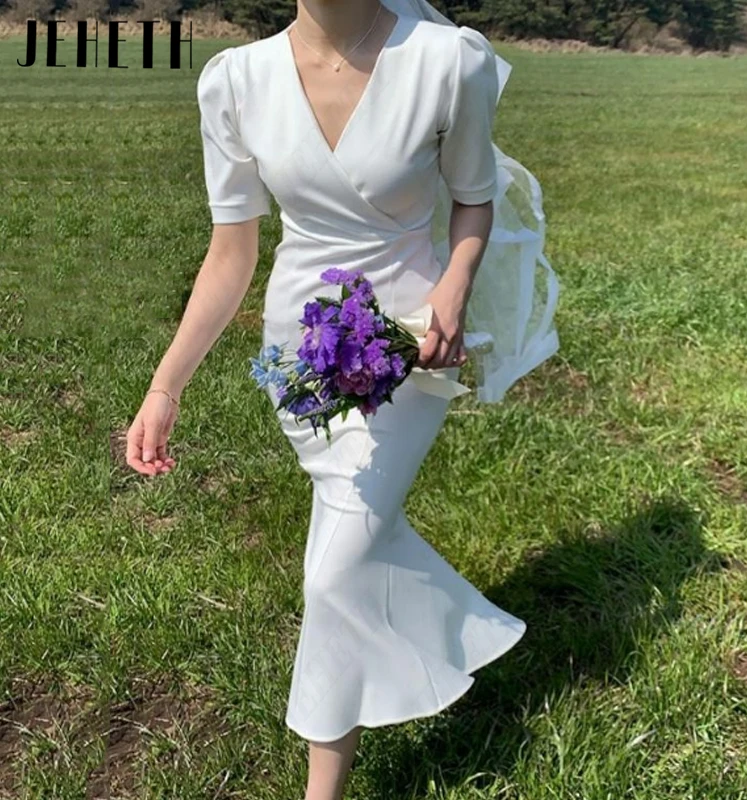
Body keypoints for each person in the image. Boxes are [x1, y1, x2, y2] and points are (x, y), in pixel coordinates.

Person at [125, 1, 535, 798]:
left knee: (333, 570)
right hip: (301, 352)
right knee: (347, 553)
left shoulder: (449, 61)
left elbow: (476, 197)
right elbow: (231, 252)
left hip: (410, 342)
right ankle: (463, 626)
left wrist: (456, 283)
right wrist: (164, 384)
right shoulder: (235, 81)